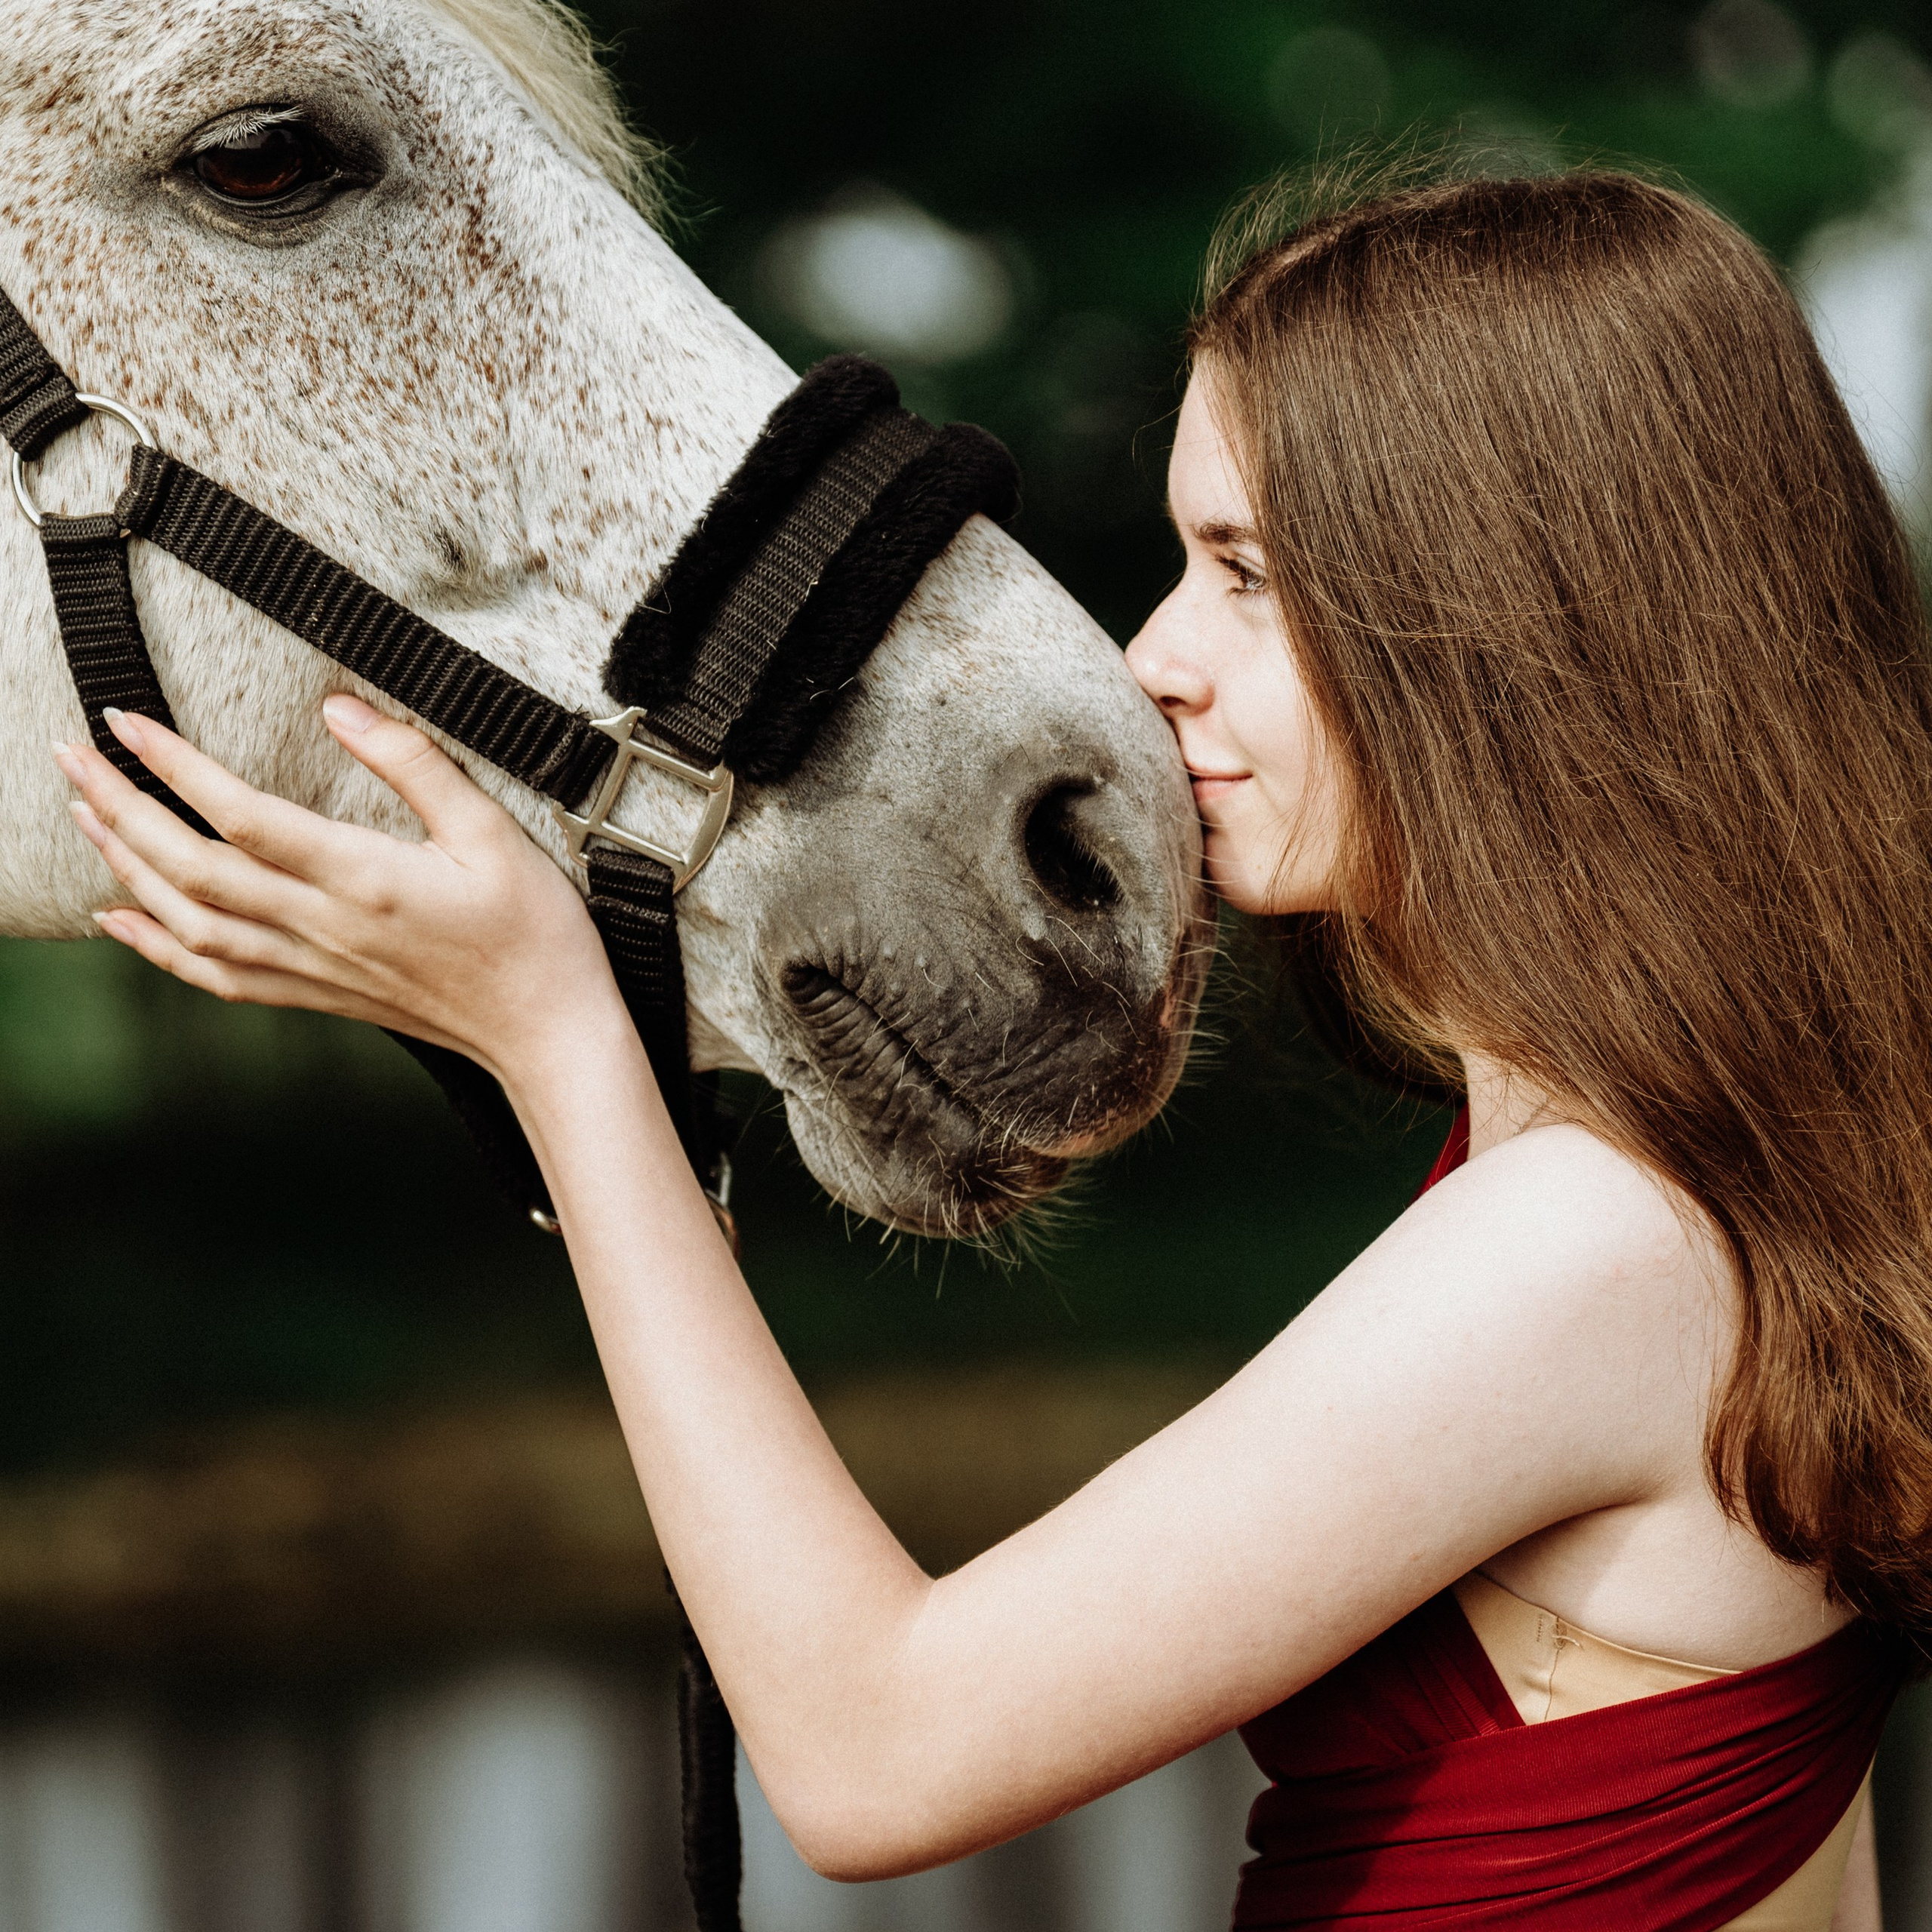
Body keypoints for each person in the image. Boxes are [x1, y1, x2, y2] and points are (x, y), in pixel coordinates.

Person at [51, 165, 1931, 1930]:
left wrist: (560, 1044)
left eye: (1247, 575)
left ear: (1517, 620)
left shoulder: (1589, 1243)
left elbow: (874, 1752)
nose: (1152, 654)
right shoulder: (1691, 1182)